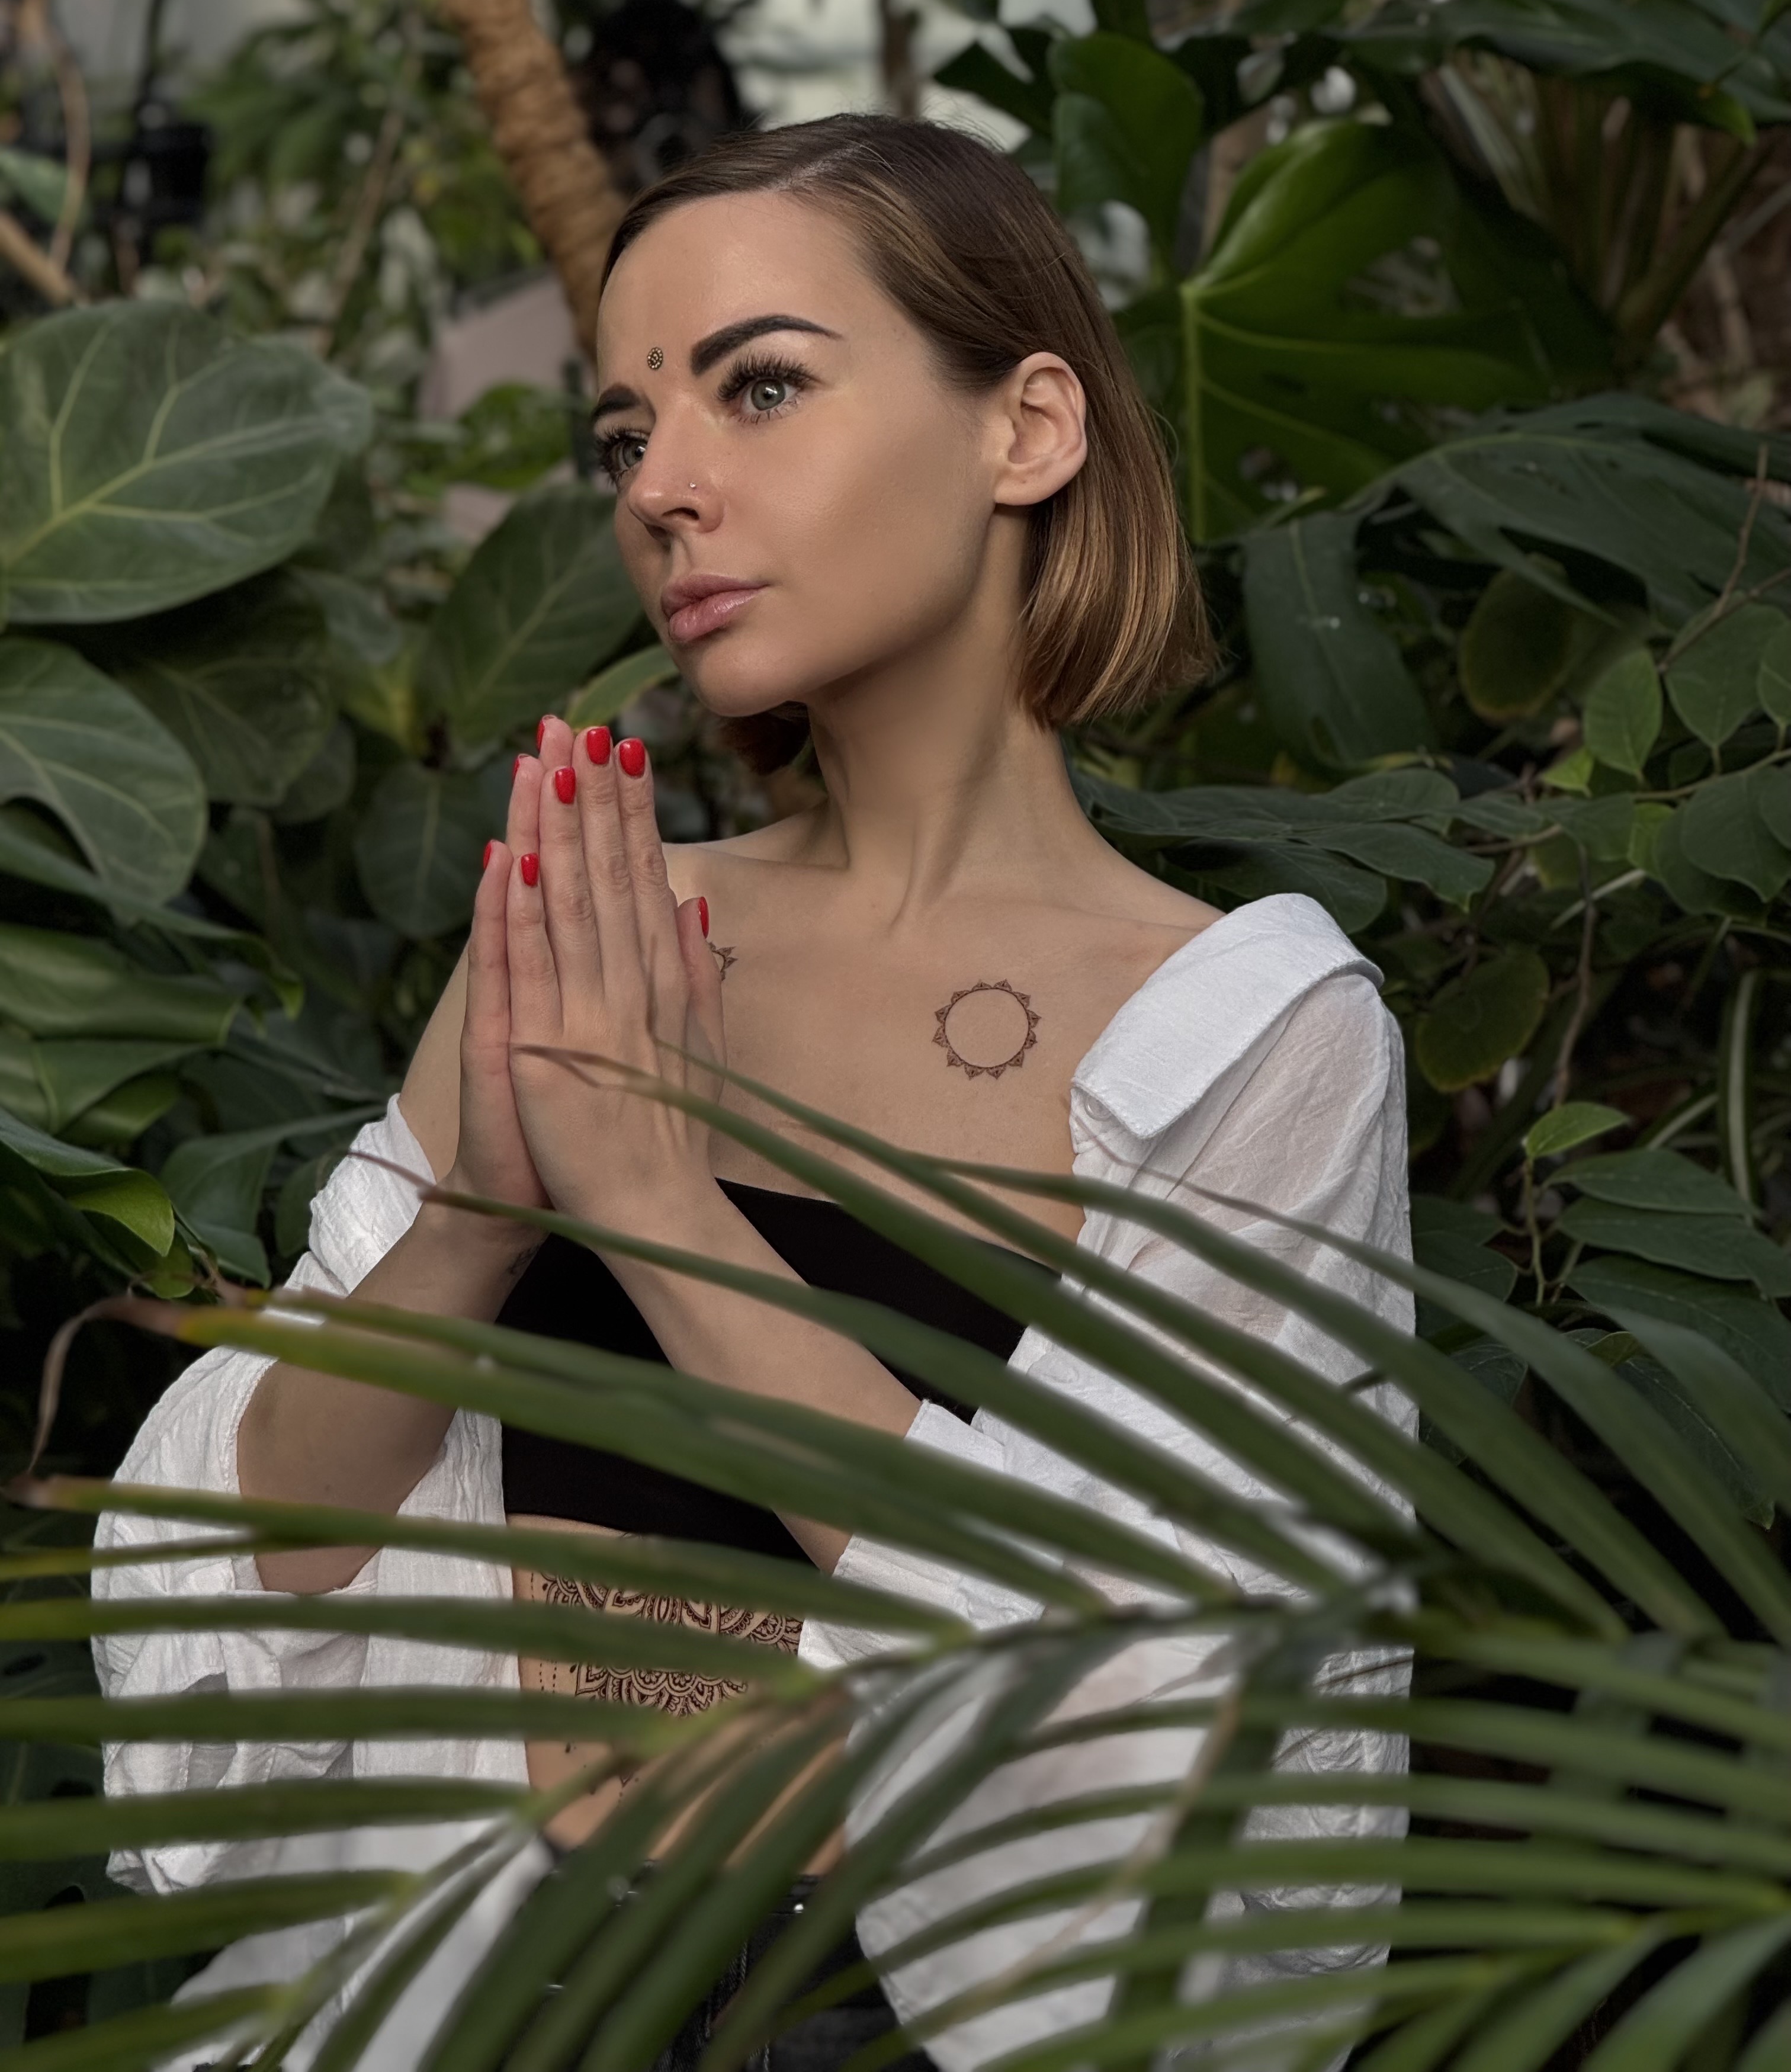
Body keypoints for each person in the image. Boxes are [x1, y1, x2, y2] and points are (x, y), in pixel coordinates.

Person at [94, 116, 1414, 2072]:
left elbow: (1164, 1688)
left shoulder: (1243, 1035)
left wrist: (654, 1198)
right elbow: (259, 1562)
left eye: (763, 387)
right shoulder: (595, 931)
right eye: (626, 436)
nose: (662, 490)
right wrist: (475, 1225)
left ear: (1026, 428)